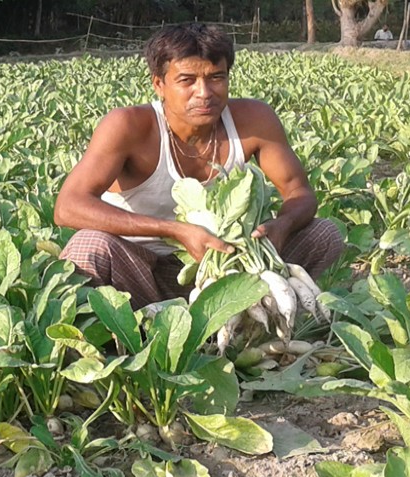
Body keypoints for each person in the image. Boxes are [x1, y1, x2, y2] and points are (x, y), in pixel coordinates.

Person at [54, 23, 344, 310]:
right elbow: (68, 206)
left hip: (230, 268)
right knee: (87, 247)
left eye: (216, 77)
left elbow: (298, 191)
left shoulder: (254, 120)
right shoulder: (128, 126)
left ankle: (262, 317)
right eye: (187, 80)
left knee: (323, 234)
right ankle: (125, 334)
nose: (204, 92)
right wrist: (174, 230)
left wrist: (282, 225)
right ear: (159, 84)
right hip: (139, 270)